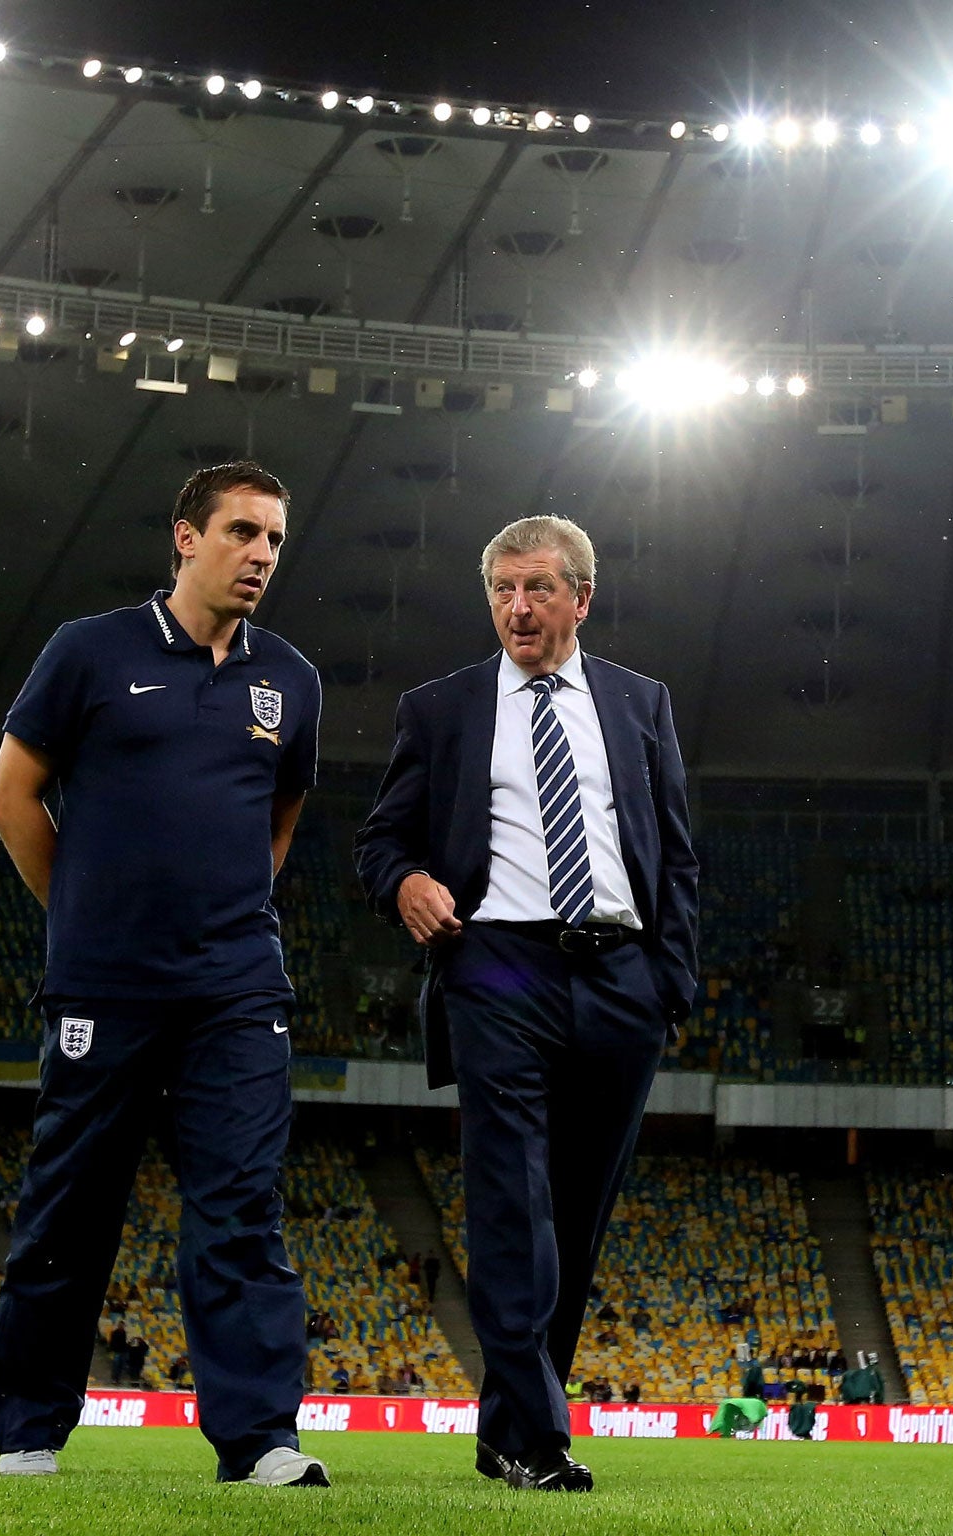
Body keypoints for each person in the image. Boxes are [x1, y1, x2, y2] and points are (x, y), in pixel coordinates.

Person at [0, 461, 329, 1489]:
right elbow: (10, 798)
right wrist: (86, 922)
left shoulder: (291, 682)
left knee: (240, 1209)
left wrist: (219, 929)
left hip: (236, 992)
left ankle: (260, 1438)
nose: (261, 553)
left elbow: (277, 823)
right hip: (104, 988)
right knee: (70, 1206)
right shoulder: (88, 651)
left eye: (273, 537)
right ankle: (30, 1434)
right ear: (185, 537)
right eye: (240, 532)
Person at [355, 515, 698, 1493]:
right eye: (503, 589)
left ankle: (505, 1430)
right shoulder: (443, 708)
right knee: (512, 1200)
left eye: (538, 588)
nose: (517, 606)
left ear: (580, 599)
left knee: (576, 1218)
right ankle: (541, 1437)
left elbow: (673, 854)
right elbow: (380, 841)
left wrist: (667, 987)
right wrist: (405, 884)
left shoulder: (640, 704)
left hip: (620, 974)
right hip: (498, 964)